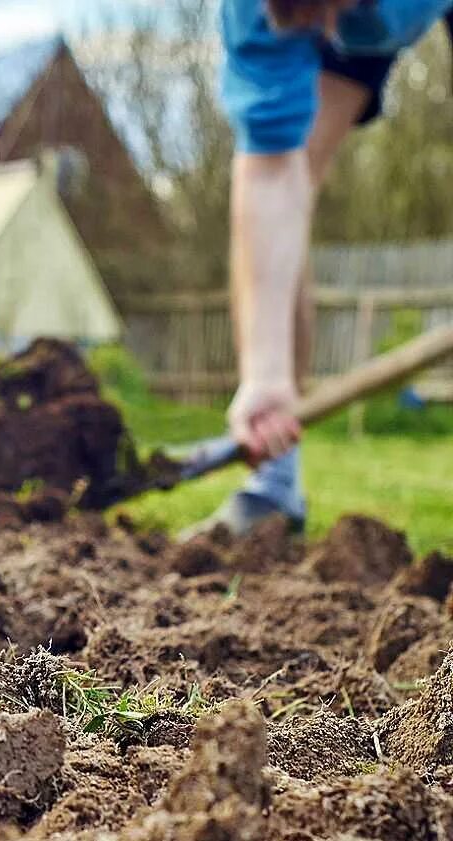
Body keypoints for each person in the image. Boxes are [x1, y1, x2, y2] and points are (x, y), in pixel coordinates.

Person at [197, 0, 453, 535]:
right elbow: (271, 172)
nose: (331, 33)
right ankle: (274, 485)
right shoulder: (256, 12)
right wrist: (265, 376)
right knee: (292, 177)